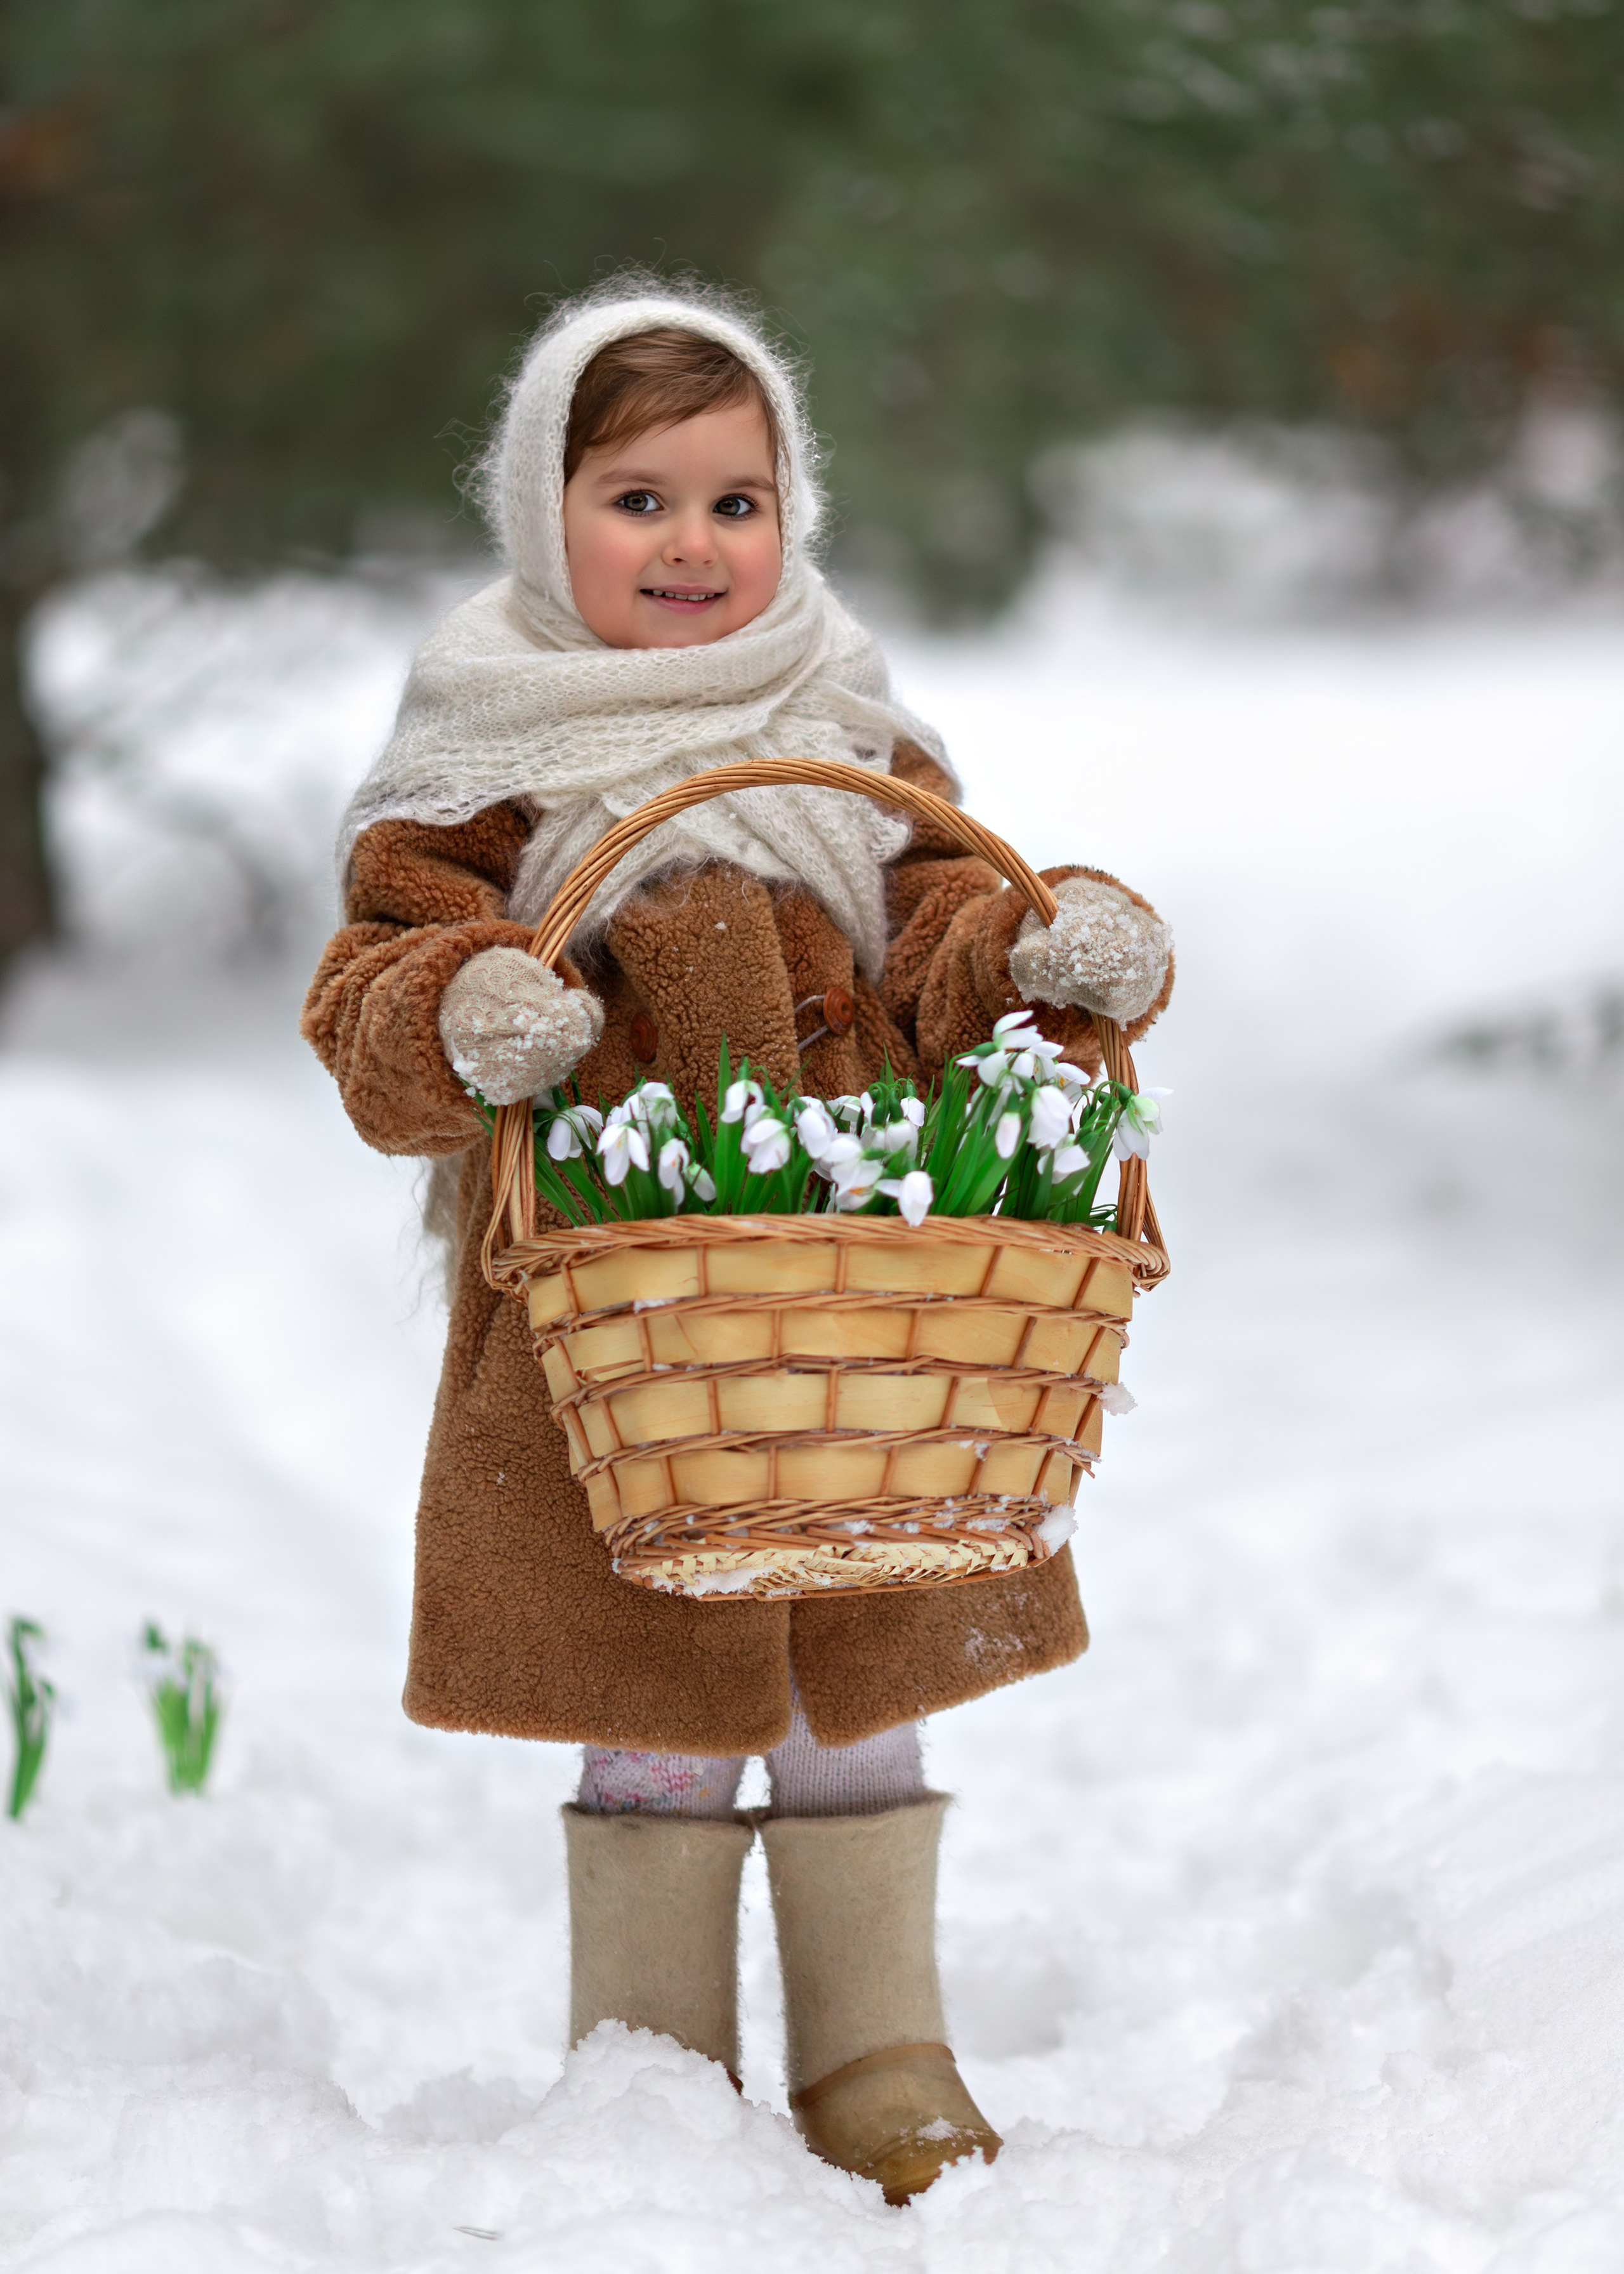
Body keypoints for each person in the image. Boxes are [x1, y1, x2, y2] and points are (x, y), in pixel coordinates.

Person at [303, 282, 1172, 2204]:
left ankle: (879, 2048)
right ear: (544, 511)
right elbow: (372, 994)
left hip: (860, 1306)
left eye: (735, 500)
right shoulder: (485, 749)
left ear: (794, 513)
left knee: (853, 1651)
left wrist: (1035, 956)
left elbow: (949, 927)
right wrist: (468, 1007)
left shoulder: (843, 723)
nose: (692, 546)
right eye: (637, 499)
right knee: (649, 1683)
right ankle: (652, 2063)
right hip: (606, 1312)